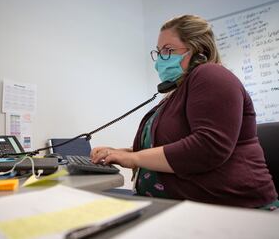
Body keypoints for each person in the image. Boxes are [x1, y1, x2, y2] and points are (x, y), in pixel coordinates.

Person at [90, 15, 278, 209]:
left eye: (169, 50)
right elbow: (169, 146)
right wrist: (119, 153)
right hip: (187, 206)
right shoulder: (176, 94)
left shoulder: (212, 75)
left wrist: (134, 158)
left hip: (234, 211)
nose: (160, 60)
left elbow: (208, 147)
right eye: (159, 51)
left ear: (198, 52)